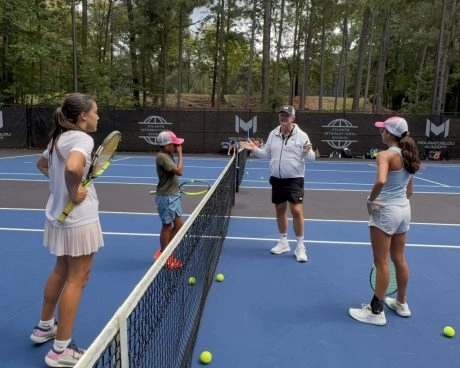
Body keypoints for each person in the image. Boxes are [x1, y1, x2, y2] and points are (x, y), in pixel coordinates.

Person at [31, 93, 103, 367]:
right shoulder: (83, 138)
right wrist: (73, 191)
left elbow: (42, 165)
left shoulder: (58, 138)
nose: (98, 116)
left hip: (57, 218)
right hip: (79, 220)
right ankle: (61, 350)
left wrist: (60, 188)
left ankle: (44, 327)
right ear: (83, 115)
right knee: (77, 279)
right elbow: (73, 167)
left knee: (61, 270)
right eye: (95, 112)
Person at [349, 116, 420, 326]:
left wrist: (371, 201)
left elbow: (380, 180)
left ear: (389, 133)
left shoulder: (385, 155)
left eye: (383, 130)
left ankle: (376, 311)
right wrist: (397, 204)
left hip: (385, 211)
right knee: (399, 258)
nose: (381, 132)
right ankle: (401, 303)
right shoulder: (410, 155)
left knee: (381, 262)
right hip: (404, 210)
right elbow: (410, 191)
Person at [240, 105, 315, 262]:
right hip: (277, 179)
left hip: (294, 179)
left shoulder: (302, 136)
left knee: (296, 211)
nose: (284, 117)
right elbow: (266, 154)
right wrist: (253, 149)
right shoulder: (273, 134)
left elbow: (311, 158)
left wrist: (308, 152)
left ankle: (300, 246)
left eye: (287, 115)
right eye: (282, 115)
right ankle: (283, 242)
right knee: (280, 210)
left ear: (293, 118)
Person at [153, 130, 185, 270]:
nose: (177, 146)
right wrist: (180, 154)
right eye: (174, 144)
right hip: (166, 197)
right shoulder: (162, 157)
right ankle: (164, 257)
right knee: (167, 226)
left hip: (174, 195)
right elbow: (179, 171)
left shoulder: (167, 154)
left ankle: (165, 252)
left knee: (179, 226)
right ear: (166, 146)